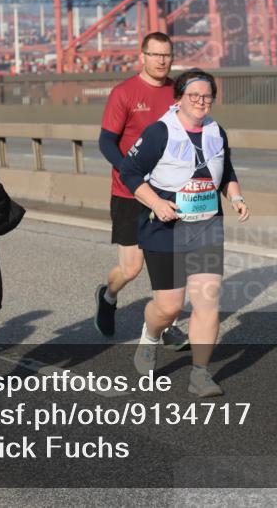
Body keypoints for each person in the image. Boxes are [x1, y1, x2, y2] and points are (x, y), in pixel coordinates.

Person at [119, 68, 250, 397]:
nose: (201, 102)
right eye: (194, 95)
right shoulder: (159, 132)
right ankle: (150, 336)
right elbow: (129, 171)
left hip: (206, 224)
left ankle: (200, 374)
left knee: (208, 301)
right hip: (166, 226)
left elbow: (225, 169)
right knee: (170, 307)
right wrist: (156, 203)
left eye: (207, 96)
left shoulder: (216, 131)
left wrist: (235, 196)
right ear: (179, 98)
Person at [95, 32, 188, 349]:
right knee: (131, 268)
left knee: (172, 260)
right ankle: (107, 296)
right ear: (143, 56)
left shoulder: (179, 92)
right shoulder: (124, 93)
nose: (162, 60)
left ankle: (171, 323)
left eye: (167, 55)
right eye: (156, 54)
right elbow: (106, 140)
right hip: (128, 193)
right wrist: (129, 171)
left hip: (167, 193)